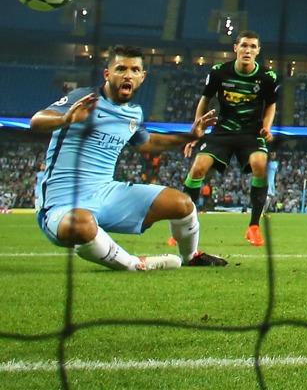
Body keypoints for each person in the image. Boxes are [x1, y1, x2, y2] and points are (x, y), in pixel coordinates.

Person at [31, 45, 227, 271]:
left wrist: (190, 136)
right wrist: (66, 119)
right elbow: (37, 120)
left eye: (135, 70)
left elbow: (147, 143)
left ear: (142, 77)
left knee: (182, 204)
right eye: (121, 69)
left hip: (106, 194)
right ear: (107, 74)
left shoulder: (133, 113)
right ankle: (135, 264)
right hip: (62, 204)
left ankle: (191, 256)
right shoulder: (85, 99)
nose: (128, 75)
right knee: (81, 224)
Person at [179, 31, 280, 247]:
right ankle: (184, 225)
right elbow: (204, 100)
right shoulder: (219, 72)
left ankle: (253, 227)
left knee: (260, 164)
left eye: (253, 46)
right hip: (222, 130)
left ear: (258, 51)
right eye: (244, 45)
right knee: (197, 168)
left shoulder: (267, 77)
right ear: (236, 48)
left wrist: (266, 127)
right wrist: (196, 130)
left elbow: (271, 104)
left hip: (251, 132)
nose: (248, 50)